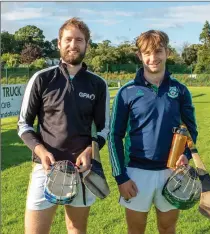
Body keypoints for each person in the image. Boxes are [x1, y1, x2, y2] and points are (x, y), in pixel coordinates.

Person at [17, 17, 110, 234]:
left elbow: (104, 129)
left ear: (87, 45)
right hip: (45, 168)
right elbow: (24, 124)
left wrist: (90, 151)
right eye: (68, 39)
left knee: (76, 230)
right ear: (58, 43)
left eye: (79, 40)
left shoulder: (98, 84)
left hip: (82, 170)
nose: (73, 45)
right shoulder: (42, 79)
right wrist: (40, 151)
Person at [108, 30, 198, 234]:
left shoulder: (180, 90)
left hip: (171, 173)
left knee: (167, 228)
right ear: (139, 56)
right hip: (136, 174)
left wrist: (185, 156)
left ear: (167, 52)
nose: (153, 58)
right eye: (147, 52)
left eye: (158, 51)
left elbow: (191, 130)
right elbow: (114, 136)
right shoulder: (127, 92)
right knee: (136, 230)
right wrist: (121, 177)